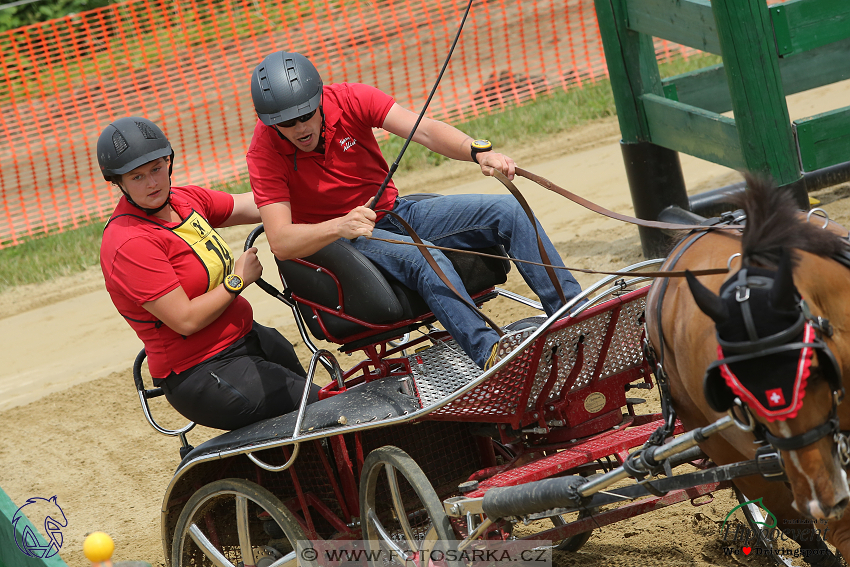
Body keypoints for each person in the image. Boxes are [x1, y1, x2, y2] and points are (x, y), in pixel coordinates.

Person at [246, 51, 582, 369]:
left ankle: (574, 320)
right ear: (272, 123)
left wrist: (477, 152)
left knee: (507, 209)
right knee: (425, 257)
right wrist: (339, 227)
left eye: (306, 115)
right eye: (287, 123)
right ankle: (493, 357)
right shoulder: (264, 151)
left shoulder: (352, 98)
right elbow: (281, 241)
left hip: (396, 212)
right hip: (345, 242)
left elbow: (424, 130)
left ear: (319, 99)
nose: (300, 128)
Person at [98, 116, 318, 431]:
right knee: (318, 404)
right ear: (118, 182)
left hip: (245, 338)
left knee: (320, 400)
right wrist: (237, 280)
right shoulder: (129, 242)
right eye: (137, 177)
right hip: (201, 371)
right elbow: (184, 319)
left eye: (157, 168)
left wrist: (318, 195)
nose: (152, 183)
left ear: (169, 162)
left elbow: (254, 205)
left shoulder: (183, 200)